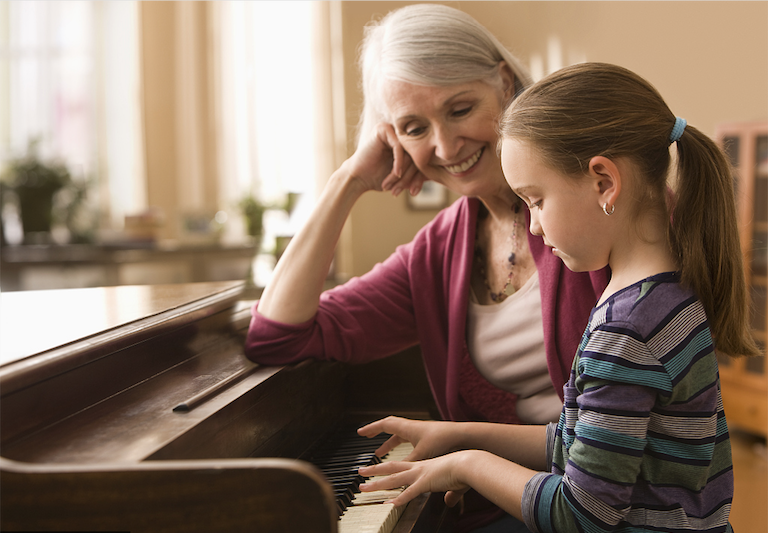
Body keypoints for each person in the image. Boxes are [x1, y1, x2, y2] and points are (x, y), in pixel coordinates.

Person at [245, 4, 607, 531]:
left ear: (504, 84)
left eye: (460, 109)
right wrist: (347, 181)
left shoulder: (592, 198)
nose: (444, 146)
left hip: (604, 503)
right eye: (414, 127)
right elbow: (277, 336)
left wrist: (465, 453)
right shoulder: (438, 251)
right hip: (511, 505)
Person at [355, 62, 760, 533]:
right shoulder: (667, 295)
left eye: (536, 199)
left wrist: (467, 466)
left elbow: (582, 513)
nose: (533, 226)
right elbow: (587, 441)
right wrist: (459, 436)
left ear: (603, 182)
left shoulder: (626, 330)